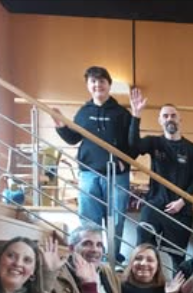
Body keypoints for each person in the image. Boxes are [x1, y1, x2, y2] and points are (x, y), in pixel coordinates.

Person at [52, 67, 144, 263]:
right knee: (89, 220)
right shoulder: (84, 112)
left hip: (117, 176)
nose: (98, 85)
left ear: (109, 85)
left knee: (116, 220)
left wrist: (125, 160)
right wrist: (60, 126)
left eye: (102, 81)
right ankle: (91, 259)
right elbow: (73, 138)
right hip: (88, 173)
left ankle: (112, 259)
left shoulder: (121, 113)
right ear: (88, 86)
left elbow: (133, 143)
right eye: (93, 81)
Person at [130, 103, 193, 269]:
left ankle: (176, 285)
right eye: (165, 116)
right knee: (143, 246)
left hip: (181, 210)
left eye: (173, 115)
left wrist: (182, 201)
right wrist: (136, 115)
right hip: (154, 205)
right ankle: (142, 280)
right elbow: (133, 146)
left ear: (180, 119)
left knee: (176, 260)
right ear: (160, 121)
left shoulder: (192, 149)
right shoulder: (153, 142)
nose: (170, 119)